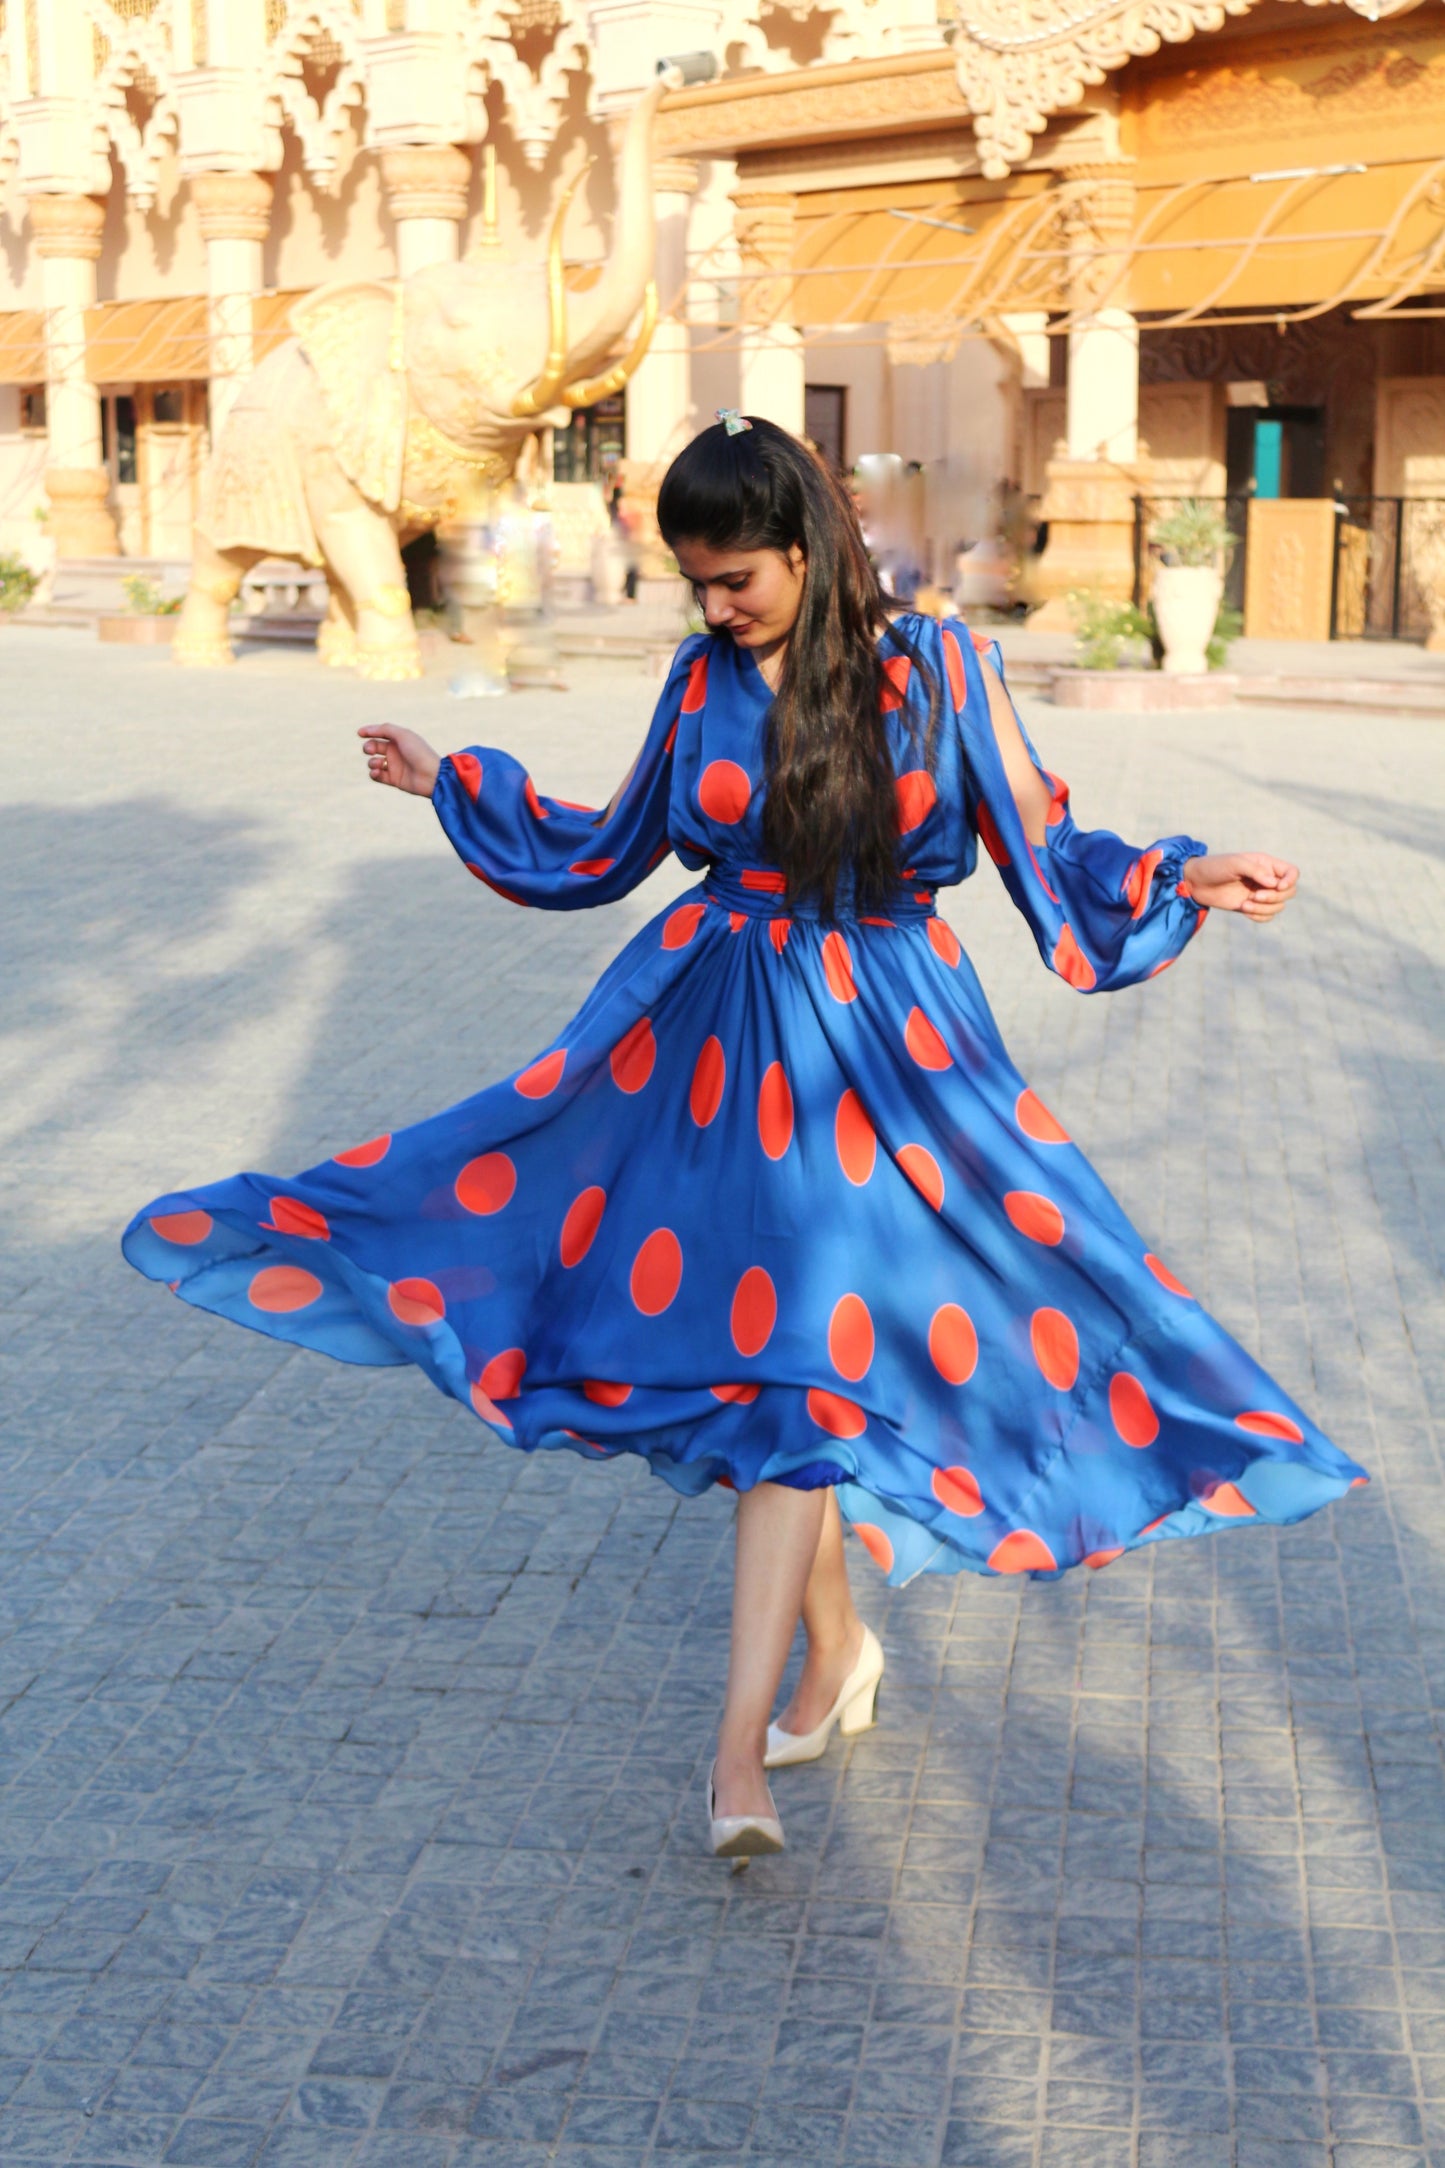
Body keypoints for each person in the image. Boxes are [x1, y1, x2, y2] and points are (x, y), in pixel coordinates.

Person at [123, 412, 1367, 1861]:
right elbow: (608, 844)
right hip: (709, 1042)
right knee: (789, 1370)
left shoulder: (937, 665)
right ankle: (824, 1665)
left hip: (887, 1051)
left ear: (807, 542)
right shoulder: (698, 677)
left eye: (737, 581)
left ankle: (737, 1754)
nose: (716, 610)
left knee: (812, 1366)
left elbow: (1043, 845)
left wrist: (1189, 870)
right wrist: (451, 780)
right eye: (698, 585)